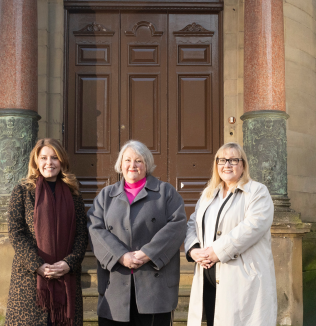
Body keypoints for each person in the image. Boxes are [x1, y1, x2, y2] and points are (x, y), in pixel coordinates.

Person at [87, 140, 187, 325]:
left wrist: (148, 253)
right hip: (116, 285)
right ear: (120, 164)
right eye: (127, 160)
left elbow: (178, 225)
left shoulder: (166, 192)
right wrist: (121, 255)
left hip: (154, 287)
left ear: (147, 164)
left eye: (138, 160)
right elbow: (95, 228)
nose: (132, 165)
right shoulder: (105, 196)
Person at [185, 142, 277, 326]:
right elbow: (192, 224)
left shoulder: (257, 192)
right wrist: (194, 250)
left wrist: (216, 252)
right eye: (222, 160)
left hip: (241, 280)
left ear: (243, 165)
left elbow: (252, 227)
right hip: (209, 278)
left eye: (233, 160)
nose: (227, 164)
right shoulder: (208, 194)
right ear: (216, 164)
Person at [5, 138, 88, 326]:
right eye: (43, 158)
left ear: (62, 161)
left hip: (66, 279)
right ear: (36, 161)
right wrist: (38, 265)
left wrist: (69, 263)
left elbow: (82, 234)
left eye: (54, 158)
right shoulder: (23, 191)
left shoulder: (73, 192)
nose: (49, 163)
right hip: (30, 281)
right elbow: (16, 233)